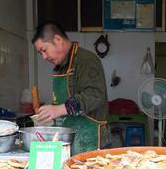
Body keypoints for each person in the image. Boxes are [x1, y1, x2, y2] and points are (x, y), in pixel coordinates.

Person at [32, 21, 111, 154]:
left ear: (57, 40)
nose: (44, 57)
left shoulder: (86, 60)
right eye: (40, 54)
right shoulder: (60, 67)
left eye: (44, 50)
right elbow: (63, 103)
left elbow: (96, 95)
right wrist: (50, 114)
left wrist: (59, 109)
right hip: (69, 139)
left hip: (92, 141)